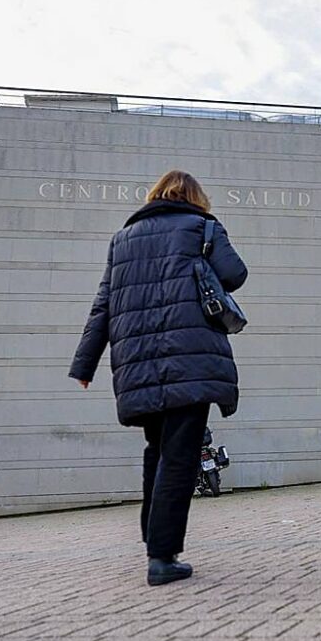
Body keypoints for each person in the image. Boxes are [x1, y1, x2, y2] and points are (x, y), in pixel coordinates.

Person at [69, 170, 247, 586]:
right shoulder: (203, 226)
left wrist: (84, 366)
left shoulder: (123, 239)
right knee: (180, 457)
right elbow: (234, 274)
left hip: (138, 363)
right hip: (191, 359)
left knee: (157, 450)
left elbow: (103, 305)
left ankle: (155, 540)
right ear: (196, 198)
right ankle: (162, 558)